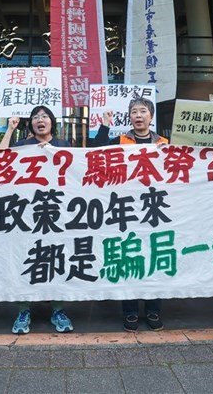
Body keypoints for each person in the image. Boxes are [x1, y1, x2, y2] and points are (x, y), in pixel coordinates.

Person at [0, 105, 74, 334]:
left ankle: (58, 310)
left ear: (52, 121)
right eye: (35, 117)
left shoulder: (63, 146)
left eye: (44, 117)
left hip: (56, 212)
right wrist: (11, 130)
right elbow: (0, 157)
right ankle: (24, 310)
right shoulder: (22, 146)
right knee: (27, 259)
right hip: (26, 213)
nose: (40, 120)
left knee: (56, 259)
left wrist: (49, 151)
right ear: (30, 123)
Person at [94, 97, 167, 332]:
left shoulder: (164, 143)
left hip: (155, 208)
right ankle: (130, 311)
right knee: (130, 257)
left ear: (151, 116)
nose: (138, 115)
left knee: (154, 256)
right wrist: (105, 125)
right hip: (126, 208)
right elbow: (96, 151)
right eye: (134, 111)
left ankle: (154, 309)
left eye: (143, 111)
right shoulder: (120, 141)